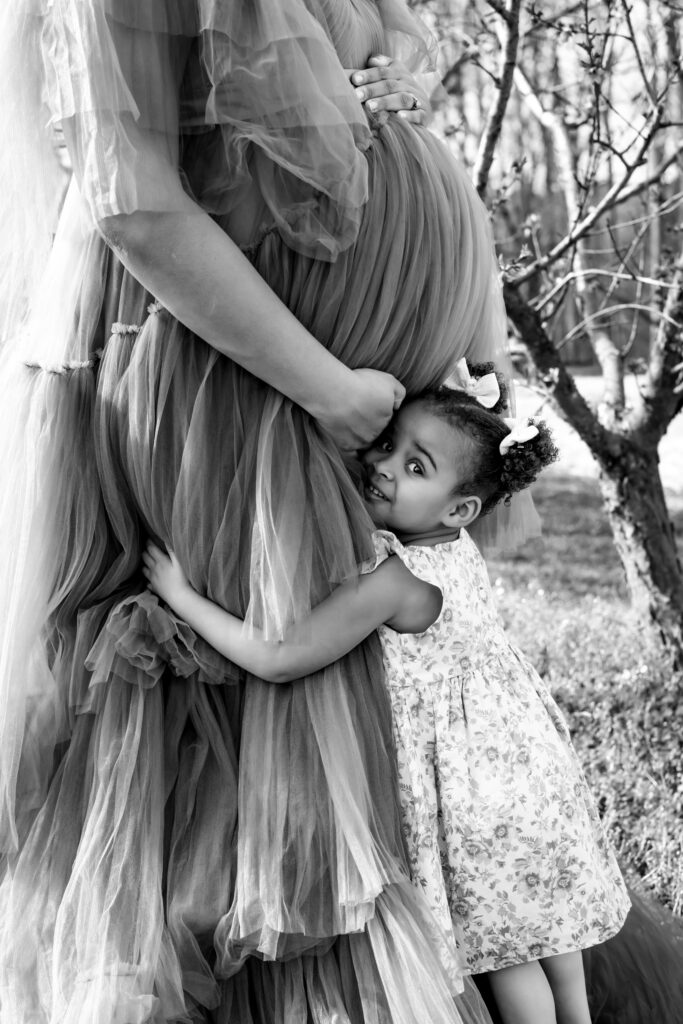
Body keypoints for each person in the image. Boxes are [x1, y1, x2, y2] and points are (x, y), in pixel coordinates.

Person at [0, 1, 514, 1022]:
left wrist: (403, 72)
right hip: (241, 388)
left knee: (329, 714)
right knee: (236, 727)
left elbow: (400, 26)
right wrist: (325, 386)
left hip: (337, 398)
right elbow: (131, 198)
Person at [143, 387, 631, 1024]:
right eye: (389, 445)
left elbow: (278, 656)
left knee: (507, 957)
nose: (384, 464)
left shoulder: (396, 580)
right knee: (554, 940)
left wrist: (180, 595)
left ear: (461, 508)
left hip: (474, 801)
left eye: (415, 466)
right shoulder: (456, 550)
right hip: (530, 771)